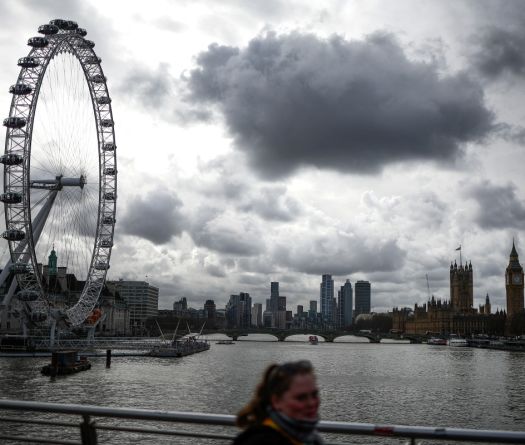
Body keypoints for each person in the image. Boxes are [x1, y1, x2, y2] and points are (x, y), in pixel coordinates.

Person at [233, 360, 323, 445]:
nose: (311, 403)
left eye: (314, 395)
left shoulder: (310, 438)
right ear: (276, 401)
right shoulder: (260, 441)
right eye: (301, 398)